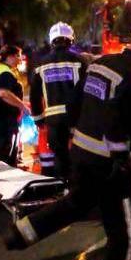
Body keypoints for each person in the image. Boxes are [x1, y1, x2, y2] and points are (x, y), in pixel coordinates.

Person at [6, 17, 131, 260]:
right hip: (108, 160)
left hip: (82, 152)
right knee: (126, 223)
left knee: (77, 202)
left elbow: (74, 105)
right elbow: (119, 122)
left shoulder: (100, 63)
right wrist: (121, 161)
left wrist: (76, 135)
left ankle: (23, 231)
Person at [28, 22, 86, 179]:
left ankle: (63, 191)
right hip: (76, 118)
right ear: (70, 40)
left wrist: (39, 120)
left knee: (60, 157)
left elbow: (34, 95)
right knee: (80, 155)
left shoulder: (41, 64)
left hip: (53, 120)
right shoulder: (79, 61)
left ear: (51, 40)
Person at [0, 45, 29, 166]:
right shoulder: (4, 72)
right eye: (18, 56)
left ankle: (7, 175)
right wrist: (22, 106)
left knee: (9, 148)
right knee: (4, 148)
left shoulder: (4, 69)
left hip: (1, 115)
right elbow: (3, 93)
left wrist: (21, 104)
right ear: (10, 57)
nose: (20, 59)